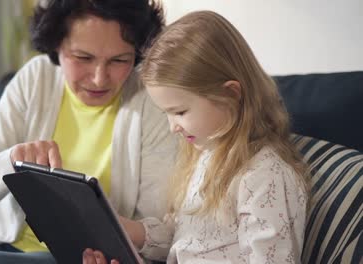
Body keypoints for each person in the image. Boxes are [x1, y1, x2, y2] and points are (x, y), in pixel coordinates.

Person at [0, 0, 176, 263]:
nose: (99, 78)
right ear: (56, 45)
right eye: (83, 57)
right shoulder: (36, 78)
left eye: (119, 60)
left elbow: (163, 235)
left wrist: (110, 230)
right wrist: (12, 159)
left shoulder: (151, 103)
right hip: (0, 234)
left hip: (77, 253)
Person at [83, 10, 309, 264]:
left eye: (180, 112)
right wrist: (126, 230)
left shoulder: (265, 177)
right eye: (166, 114)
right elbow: (182, 239)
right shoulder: (205, 155)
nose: (173, 128)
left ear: (231, 95)